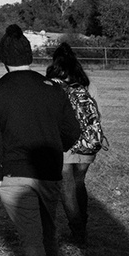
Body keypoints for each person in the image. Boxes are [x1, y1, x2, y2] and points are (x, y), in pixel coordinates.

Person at [0, 25, 81, 256]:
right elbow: (73, 131)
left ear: (3, 59)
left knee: (32, 239)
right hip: (48, 171)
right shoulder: (52, 88)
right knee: (47, 234)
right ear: (30, 56)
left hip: (14, 175)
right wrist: (55, 149)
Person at [46, 42, 102, 245]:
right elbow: (98, 114)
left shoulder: (52, 83)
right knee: (79, 182)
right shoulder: (87, 83)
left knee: (66, 186)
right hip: (88, 142)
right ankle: (82, 225)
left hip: (65, 143)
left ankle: (78, 231)